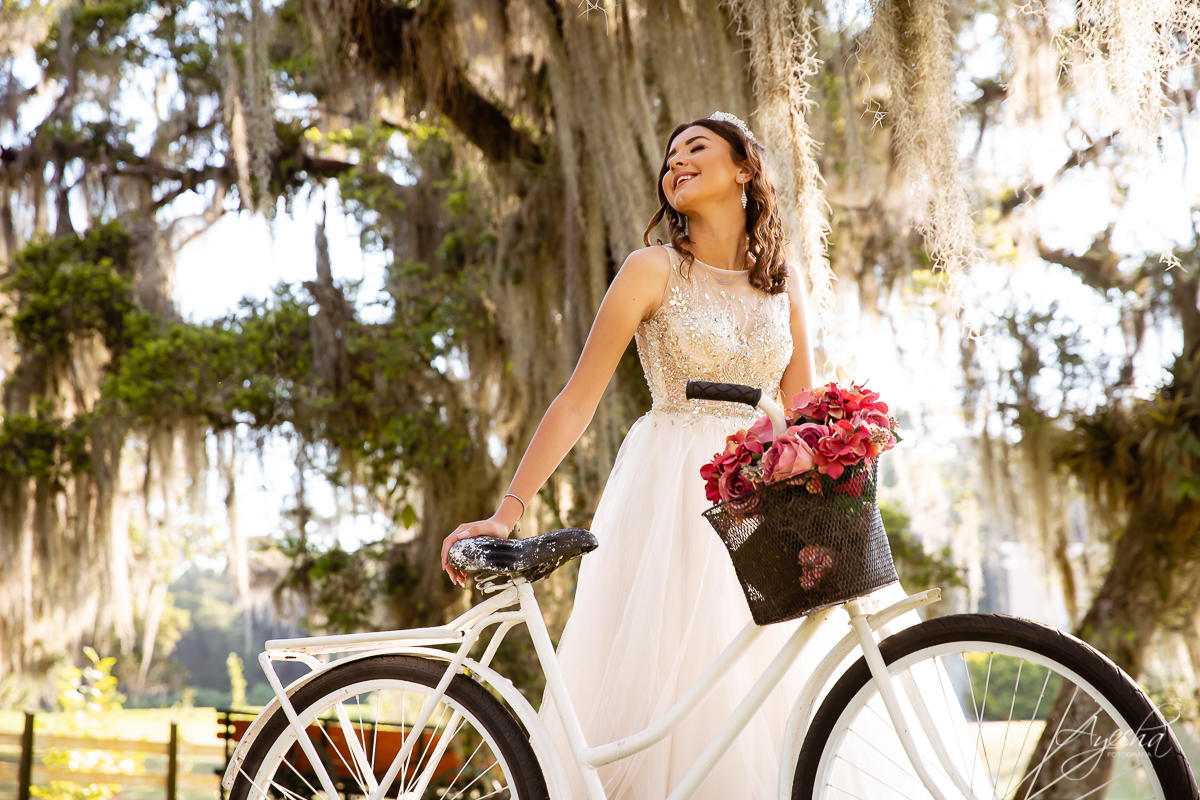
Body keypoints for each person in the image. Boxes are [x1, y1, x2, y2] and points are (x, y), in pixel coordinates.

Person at [440, 113, 928, 799]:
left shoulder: (784, 287)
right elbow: (578, 401)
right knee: (667, 679)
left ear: (744, 170)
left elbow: (803, 411)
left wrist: (839, 446)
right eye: (669, 157)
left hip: (758, 494)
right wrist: (507, 512)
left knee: (765, 685)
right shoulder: (651, 270)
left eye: (695, 149)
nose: (676, 164)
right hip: (670, 485)